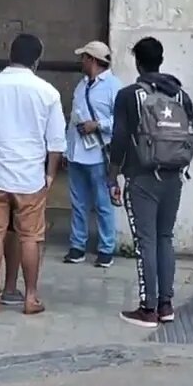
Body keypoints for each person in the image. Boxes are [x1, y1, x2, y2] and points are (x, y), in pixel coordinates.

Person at [0, 33, 66, 316]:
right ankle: (31, 298)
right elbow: (56, 143)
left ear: (10, 55)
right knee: (30, 237)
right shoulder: (47, 92)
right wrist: (49, 176)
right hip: (30, 176)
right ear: (37, 60)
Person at [108, 36, 193, 328]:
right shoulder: (180, 96)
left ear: (137, 62)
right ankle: (166, 304)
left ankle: (148, 309)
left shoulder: (128, 95)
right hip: (174, 177)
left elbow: (119, 139)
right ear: (160, 60)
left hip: (142, 177)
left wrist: (112, 176)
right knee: (165, 239)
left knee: (145, 241)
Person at [63, 41, 123, 268]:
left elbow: (120, 120)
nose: (82, 62)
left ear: (94, 60)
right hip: (78, 152)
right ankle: (77, 245)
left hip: (98, 153)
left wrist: (97, 125)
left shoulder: (113, 86)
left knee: (102, 202)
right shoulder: (81, 86)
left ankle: (106, 247)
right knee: (78, 203)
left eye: (85, 57)